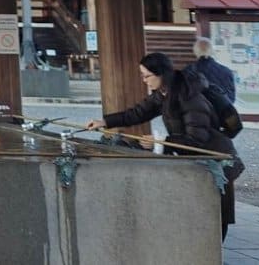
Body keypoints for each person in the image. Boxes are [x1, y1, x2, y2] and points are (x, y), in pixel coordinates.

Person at [86, 52, 241, 240]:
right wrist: (104, 122)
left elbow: (196, 139)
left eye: (147, 76)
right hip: (200, 160)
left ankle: (213, 253)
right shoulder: (165, 92)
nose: (144, 80)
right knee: (200, 213)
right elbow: (138, 113)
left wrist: (161, 142)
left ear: (161, 73)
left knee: (215, 215)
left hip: (218, 160)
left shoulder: (189, 96)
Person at [187, 37, 237, 102]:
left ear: (195, 52)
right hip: (220, 108)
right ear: (212, 51)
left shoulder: (187, 72)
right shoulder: (227, 72)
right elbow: (231, 99)